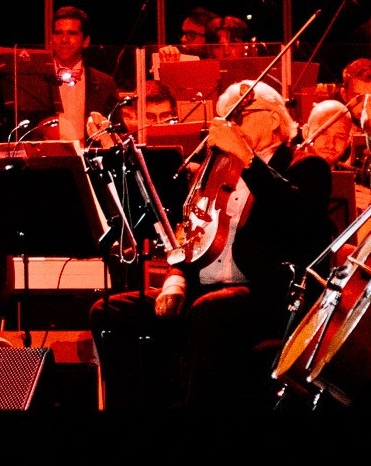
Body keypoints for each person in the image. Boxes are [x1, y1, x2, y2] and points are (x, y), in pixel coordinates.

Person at [89, 80, 326, 409]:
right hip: (204, 289)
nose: (230, 124)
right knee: (109, 312)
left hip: (263, 295)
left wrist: (247, 157)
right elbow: (191, 235)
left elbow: (297, 216)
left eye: (239, 114)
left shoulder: (307, 166)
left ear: (273, 119)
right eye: (225, 117)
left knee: (210, 311)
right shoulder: (218, 169)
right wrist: (176, 279)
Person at [38, 6, 119, 143]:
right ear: (51, 39)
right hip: (45, 159)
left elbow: (118, 130)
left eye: (72, 33)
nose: (64, 40)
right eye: (58, 33)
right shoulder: (36, 79)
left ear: (86, 41)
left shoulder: (105, 83)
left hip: (90, 159)